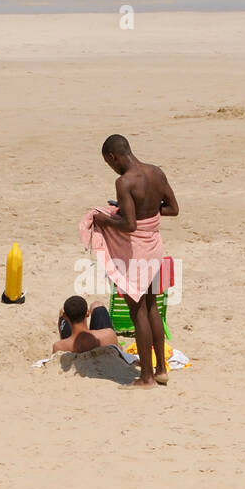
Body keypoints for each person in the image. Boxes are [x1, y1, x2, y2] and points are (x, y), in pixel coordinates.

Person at [85, 135, 178, 387]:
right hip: (154, 247)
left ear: (113, 157)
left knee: (138, 312)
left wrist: (103, 219)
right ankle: (160, 369)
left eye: (109, 163)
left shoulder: (124, 182)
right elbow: (172, 209)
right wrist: (146, 211)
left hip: (136, 252)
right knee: (152, 307)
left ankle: (146, 376)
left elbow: (129, 225)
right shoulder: (156, 172)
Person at [52, 296, 118, 354]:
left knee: (62, 310)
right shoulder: (109, 335)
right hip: (100, 342)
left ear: (65, 317)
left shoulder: (59, 347)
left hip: (70, 346)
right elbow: (119, 352)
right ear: (87, 313)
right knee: (97, 305)